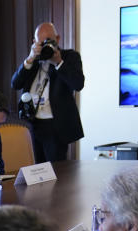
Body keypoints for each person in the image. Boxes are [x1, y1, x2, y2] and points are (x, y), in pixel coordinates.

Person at [11, 22, 85, 162]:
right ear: (34, 43)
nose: (45, 45)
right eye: (41, 42)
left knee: (56, 173)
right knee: (36, 170)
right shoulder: (33, 61)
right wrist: (30, 58)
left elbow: (78, 84)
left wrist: (58, 62)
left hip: (56, 127)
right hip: (33, 124)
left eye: (49, 41)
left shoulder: (69, 57)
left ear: (58, 39)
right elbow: (15, 84)